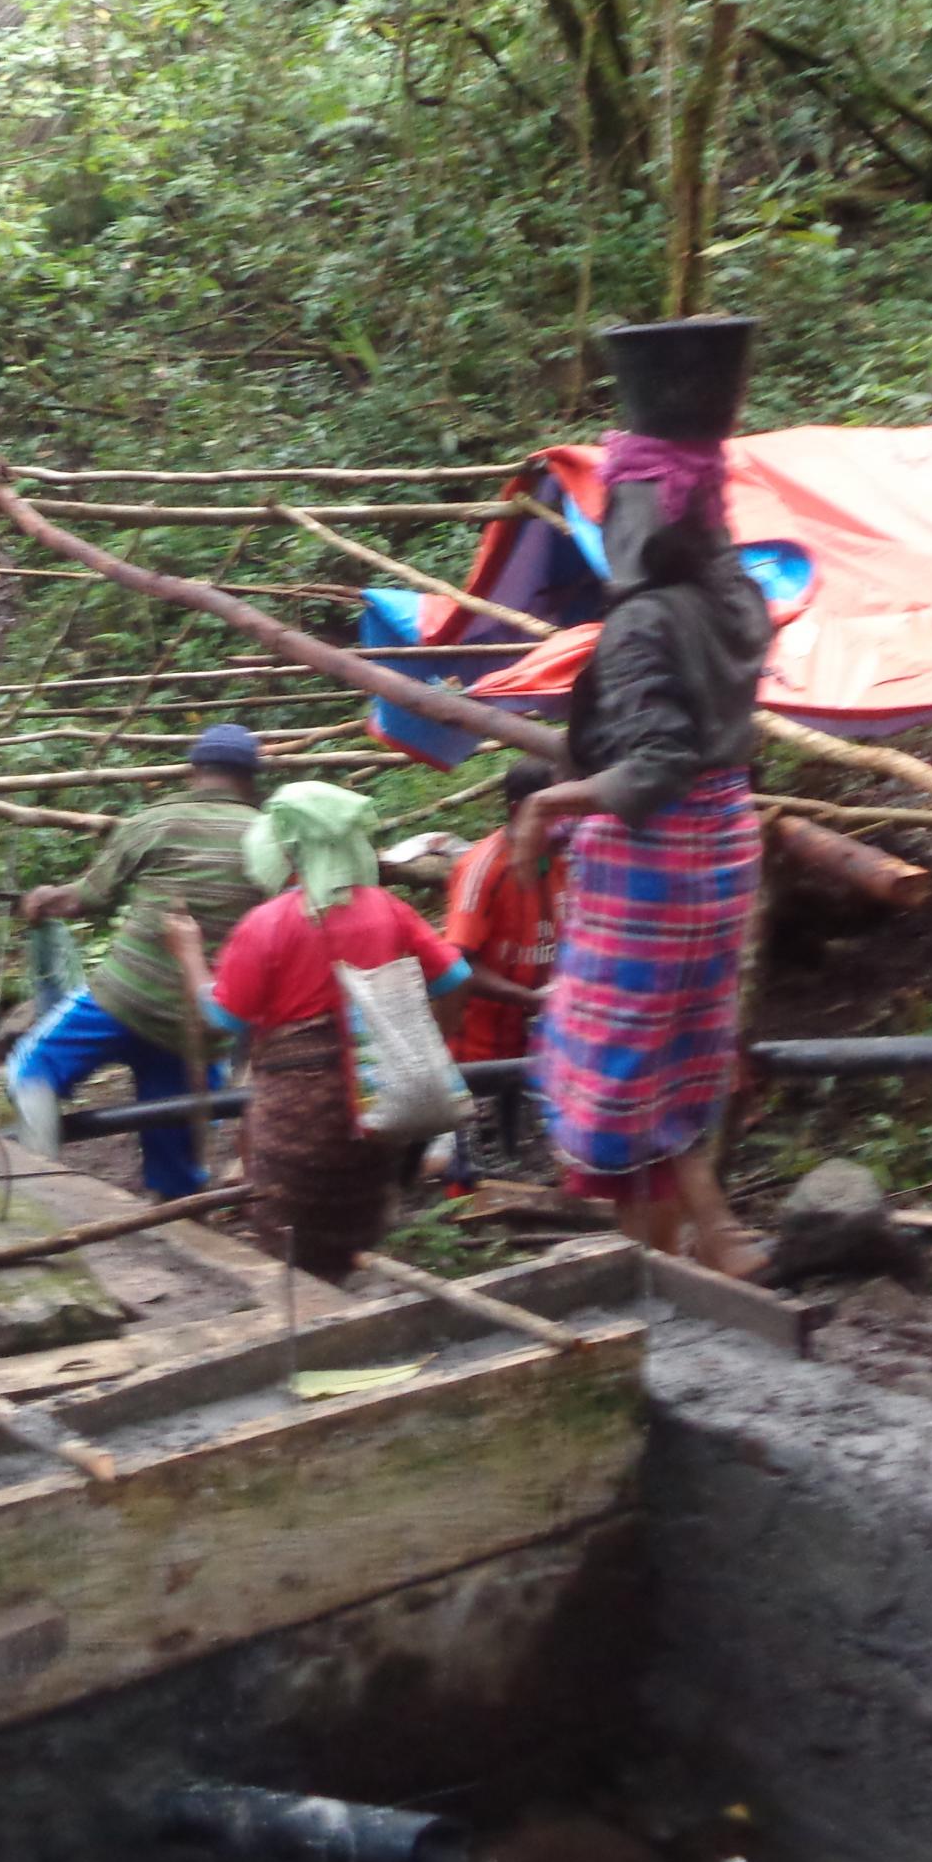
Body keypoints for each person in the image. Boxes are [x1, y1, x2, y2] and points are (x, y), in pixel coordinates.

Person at [511, 316, 774, 1280]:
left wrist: (552, 804)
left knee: (614, 1072)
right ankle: (710, 1242)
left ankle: (654, 1277)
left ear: (640, 513)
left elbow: (656, 763)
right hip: (727, 843)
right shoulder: (738, 593)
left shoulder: (642, 624)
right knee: (678, 1056)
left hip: (654, 857)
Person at [167, 782, 469, 1279]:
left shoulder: (267, 923)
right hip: (378, 1107)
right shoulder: (388, 909)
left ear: (285, 850)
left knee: (290, 1244)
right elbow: (456, 978)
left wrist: (189, 957)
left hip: (296, 1121)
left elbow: (222, 1018)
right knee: (355, 1229)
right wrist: (436, 1042)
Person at [5, 724, 269, 1199]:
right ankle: (181, 1221)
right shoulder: (268, 840)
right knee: (175, 1159)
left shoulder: (154, 821)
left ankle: (40, 1185)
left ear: (195, 772)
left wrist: (43, 898)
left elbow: (83, 899)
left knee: (31, 1069)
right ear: (251, 779)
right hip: (200, 1021)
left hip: (122, 1001)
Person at [439, 757, 564, 1190]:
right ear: (518, 810)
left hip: (531, 1029)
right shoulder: (483, 869)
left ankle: (515, 1192)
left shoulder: (558, 861)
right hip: (476, 1036)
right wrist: (531, 999)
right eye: (553, 810)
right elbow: (457, 963)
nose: (565, 822)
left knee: (515, 1137)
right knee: (470, 1145)